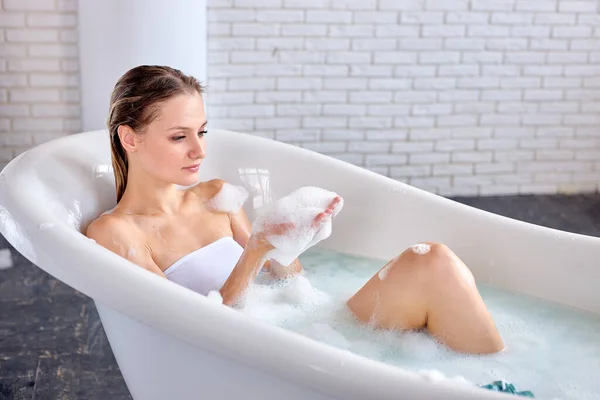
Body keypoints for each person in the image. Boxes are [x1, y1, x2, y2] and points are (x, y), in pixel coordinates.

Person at [86, 65, 505, 355]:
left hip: (311, 330)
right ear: (130, 138)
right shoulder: (117, 233)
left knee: (432, 260)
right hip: (254, 354)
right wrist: (256, 249)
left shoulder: (215, 196)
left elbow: (294, 287)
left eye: (202, 131)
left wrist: (289, 240)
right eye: (179, 136)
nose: (200, 149)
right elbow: (190, 331)